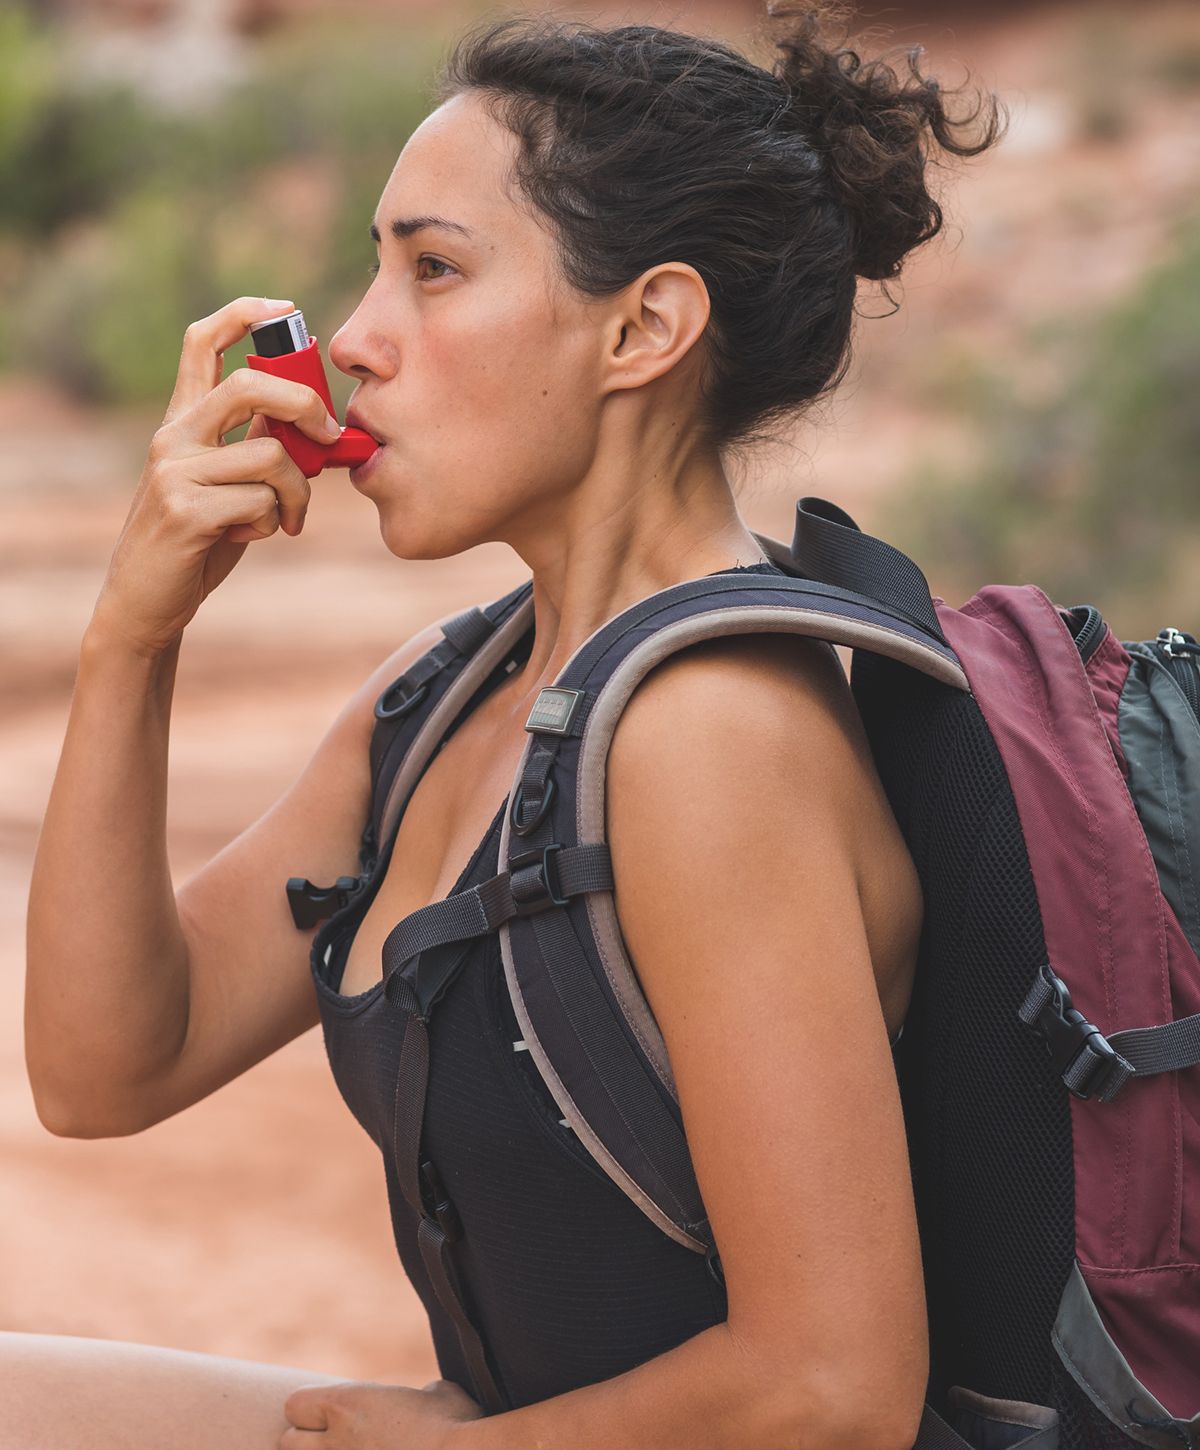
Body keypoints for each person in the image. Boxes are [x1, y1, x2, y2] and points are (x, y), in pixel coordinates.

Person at [15, 3, 1006, 1445]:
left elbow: (833, 1387)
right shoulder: (439, 699)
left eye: (432, 270)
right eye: (374, 270)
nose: (355, 340)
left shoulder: (712, 735)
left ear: (647, 326)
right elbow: (108, 1064)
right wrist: (133, 638)